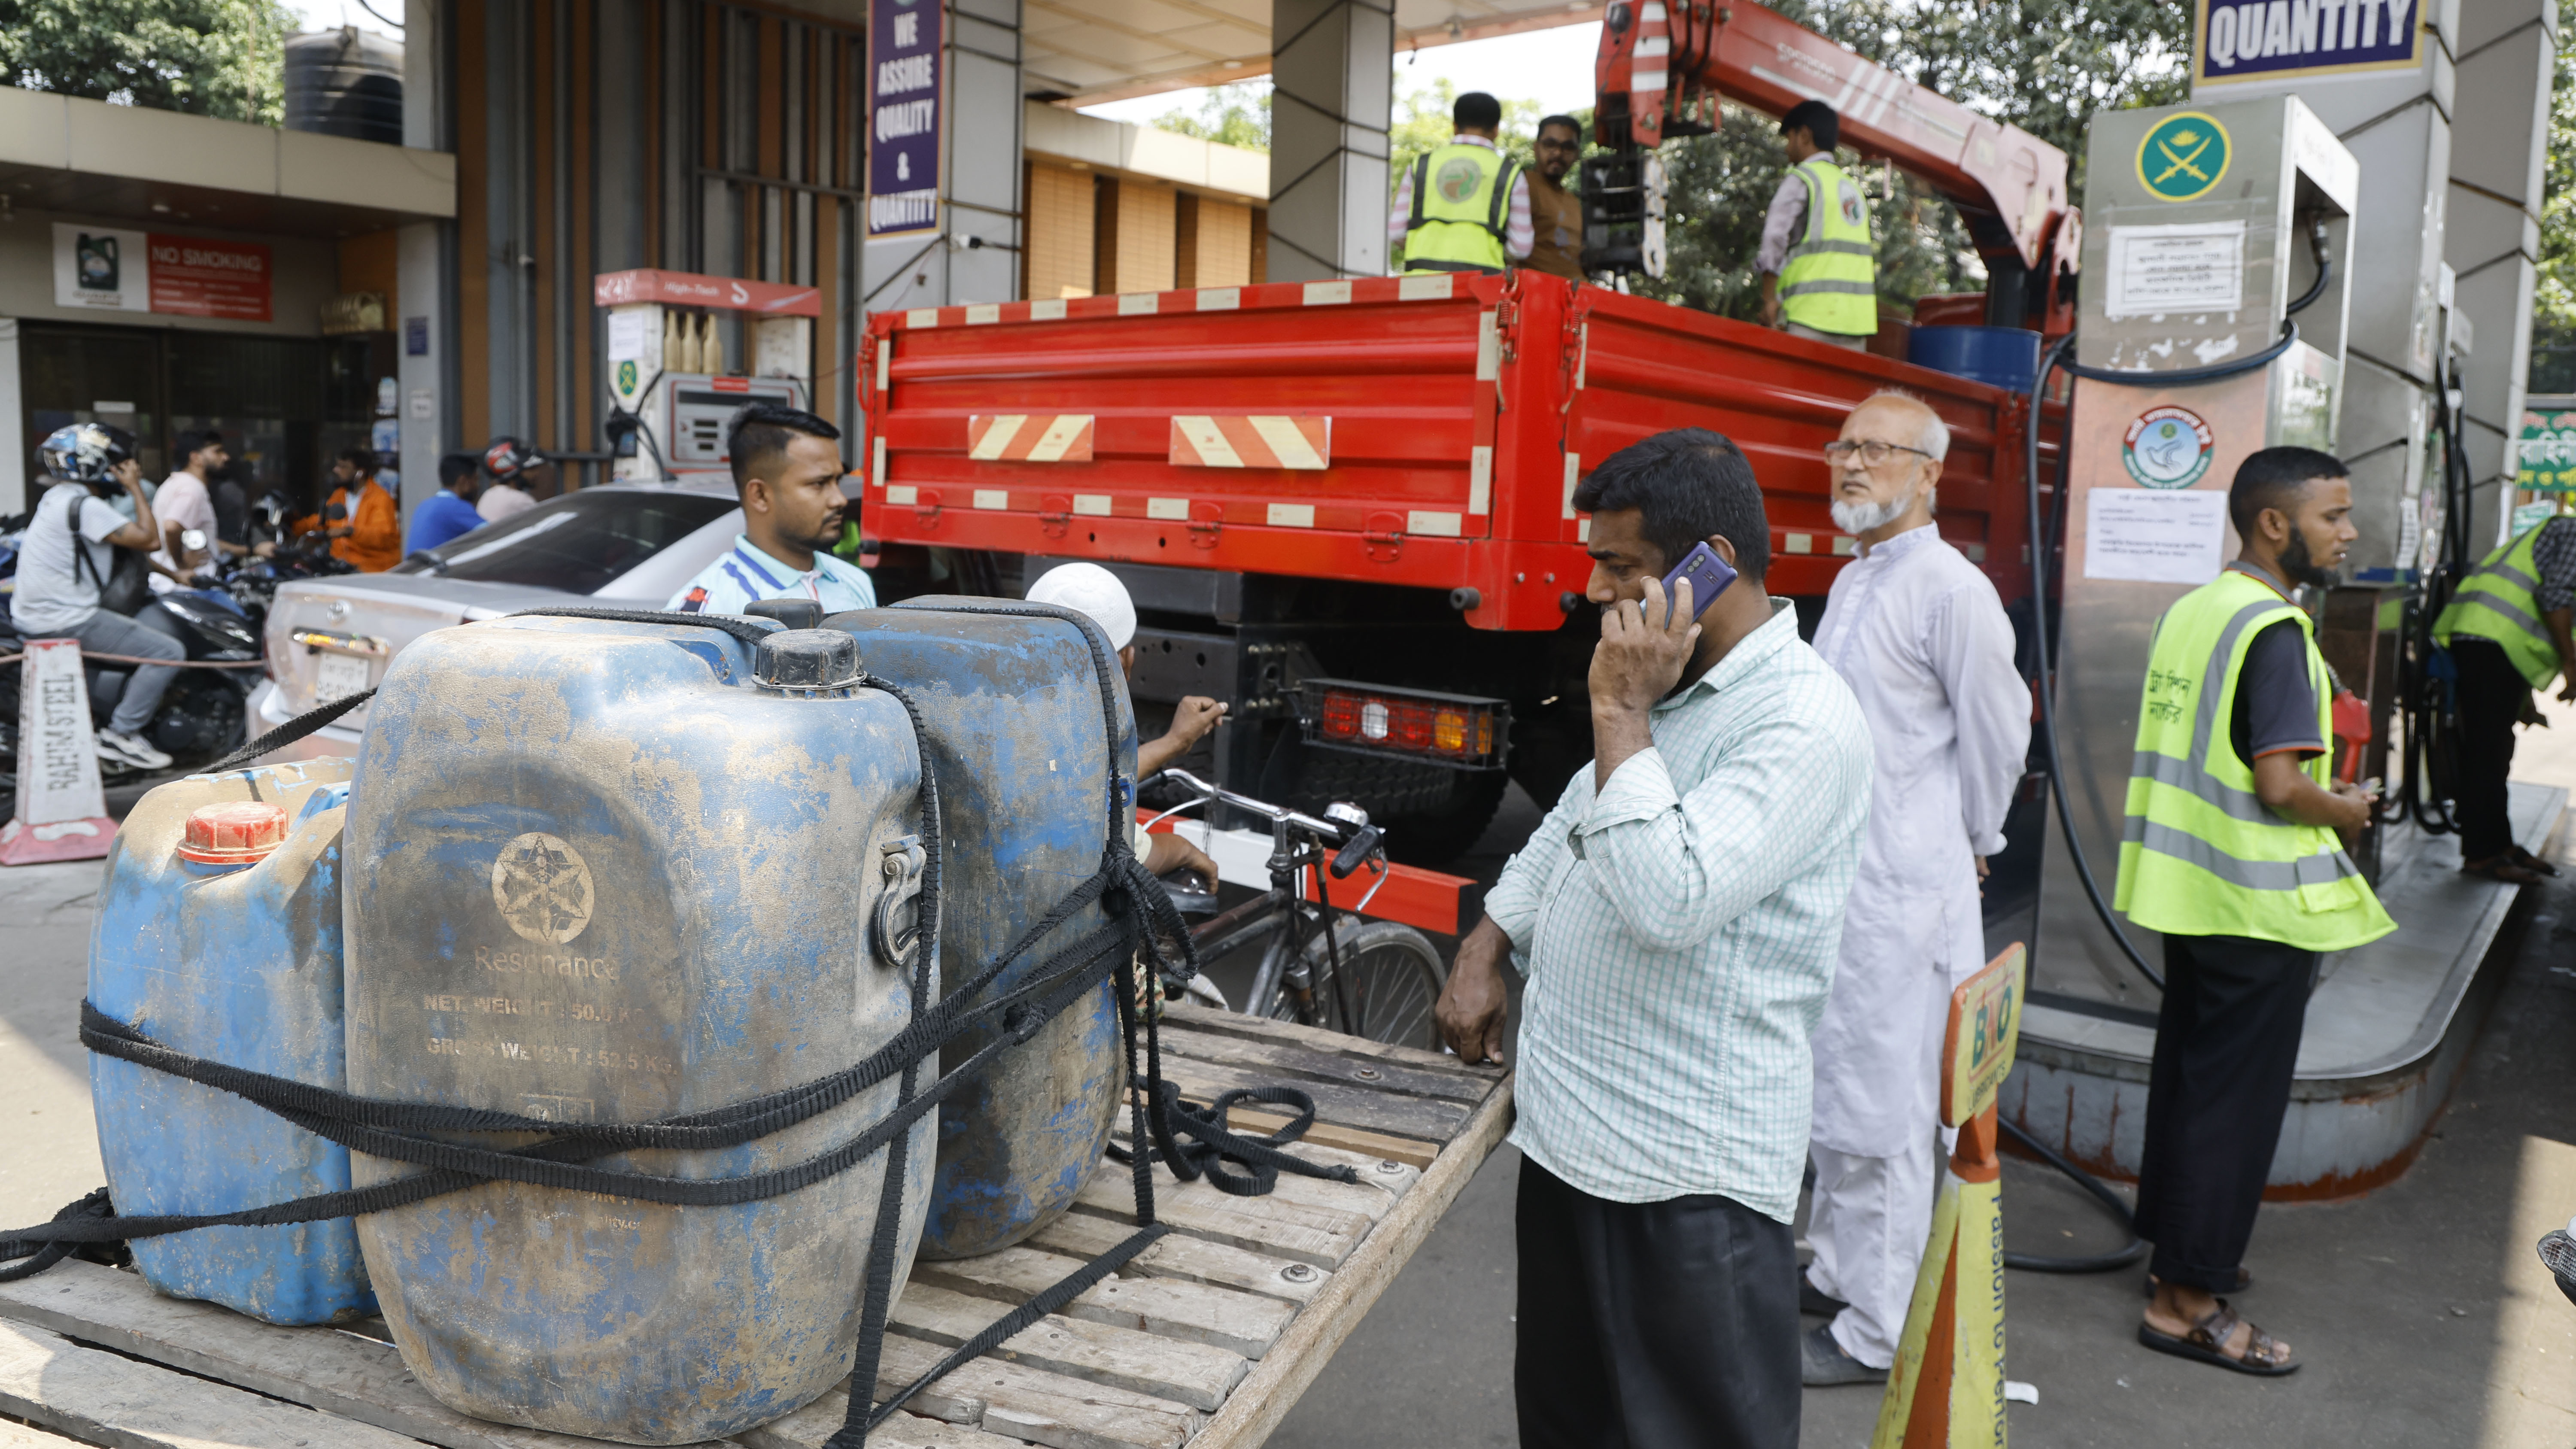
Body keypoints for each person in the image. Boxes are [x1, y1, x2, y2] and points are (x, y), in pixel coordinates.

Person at [1434, 428, 1872, 1449]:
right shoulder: (1675, 681)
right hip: (1572, 1149)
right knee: (1568, 1426)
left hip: (1685, 1186)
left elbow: (1670, 899)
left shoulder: (1800, 722)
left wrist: (1620, 710)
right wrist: (1485, 942)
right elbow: (1576, 818)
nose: (1593, 589)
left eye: (1619, 565)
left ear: (1709, 564)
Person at [2116, 446, 2395, 1377]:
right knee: (2230, 1105)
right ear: (2276, 524)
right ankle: (2186, 1301)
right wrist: (2346, 809)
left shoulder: (2198, 609)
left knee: (2193, 1082)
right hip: (2251, 902)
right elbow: (2281, 783)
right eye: (2334, 516)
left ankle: (2179, 1248)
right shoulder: (2273, 630)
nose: (2348, 532)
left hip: (2186, 894)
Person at [1797, 392, 2031, 1385]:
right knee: (1840, 1093)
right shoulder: (1859, 579)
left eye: (1878, 450)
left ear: (1930, 474)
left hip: (1900, 889)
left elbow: (1999, 730)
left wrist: (1976, 834)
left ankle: (1880, 1331)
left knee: (1885, 1109)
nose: (1853, 464)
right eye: (1843, 447)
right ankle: (1844, 1272)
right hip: (1845, 888)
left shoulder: (1948, 587)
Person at [1021, 562, 1225, 892]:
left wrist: (1175, 742)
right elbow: (1130, 854)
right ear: (1126, 661)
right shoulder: (1080, 736)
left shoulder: (1013, 709)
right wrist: (1185, 850)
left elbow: (1099, 782)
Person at [9, 423, 181, 771]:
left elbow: (126, 551)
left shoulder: (58, 498)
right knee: (168, 651)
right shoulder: (86, 506)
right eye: (119, 462)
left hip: (36, 616)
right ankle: (122, 734)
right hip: (65, 618)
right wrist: (136, 488)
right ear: (97, 464)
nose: (126, 469)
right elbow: (149, 540)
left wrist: (176, 576)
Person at [2430, 509, 2576, 884]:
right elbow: (2555, 598)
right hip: (2488, 639)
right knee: (2487, 751)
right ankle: (2482, 854)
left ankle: (2500, 844)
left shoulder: (2561, 530)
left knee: (2496, 749)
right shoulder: (2572, 531)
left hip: (2494, 643)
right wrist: (2571, 663)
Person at [668, 404, 878, 615]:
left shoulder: (854, 582)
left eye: (838, 481)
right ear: (760, 495)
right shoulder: (712, 607)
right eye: (819, 484)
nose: (840, 500)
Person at [1756, 99, 1876, 350]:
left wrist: (1769, 300)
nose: (1788, 149)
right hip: (1856, 327)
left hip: (1809, 321)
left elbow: (1774, 239)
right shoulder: (1852, 189)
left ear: (1805, 136)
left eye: (1789, 139)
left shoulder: (1803, 178)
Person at [1388, 91, 1534, 276]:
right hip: (1481, 289)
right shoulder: (1510, 173)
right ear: (1496, 129)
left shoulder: (1421, 165)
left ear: (1455, 127)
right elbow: (1521, 247)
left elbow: (1396, 232)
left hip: (1420, 287)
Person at [146, 430, 225, 593]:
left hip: (174, 585)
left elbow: (205, 541)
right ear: (196, 458)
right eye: (217, 451)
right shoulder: (192, 488)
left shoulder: (176, 483)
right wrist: (180, 564)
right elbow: (171, 527)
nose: (225, 457)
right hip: (184, 588)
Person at [299, 449, 403, 572]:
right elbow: (322, 521)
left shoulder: (381, 498)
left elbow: (382, 536)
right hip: (340, 567)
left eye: (343, 467)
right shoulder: (339, 495)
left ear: (360, 473)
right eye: (337, 466)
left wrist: (350, 532)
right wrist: (294, 526)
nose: (336, 470)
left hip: (372, 571)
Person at [1522, 114, 1586, 283]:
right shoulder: (1524, 185)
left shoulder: (1573, 201)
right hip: (1538, 294)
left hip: (1577, 295)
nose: (1558, 153)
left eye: (1568, 147)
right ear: (1536, 148)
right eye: (1550, 145)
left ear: (1577, 154)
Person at [407, 453, 490, 554]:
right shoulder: (457, 507)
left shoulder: (424, 505)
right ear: (464, 481)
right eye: (476, 480)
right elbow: (492, 536)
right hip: (434, 568)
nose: (478, 486)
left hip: (413, 569)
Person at [477, 437, 543, 522]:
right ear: (514, 472)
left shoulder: (488, 495)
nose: (536, 474)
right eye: (531, 469)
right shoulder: (520, 500)